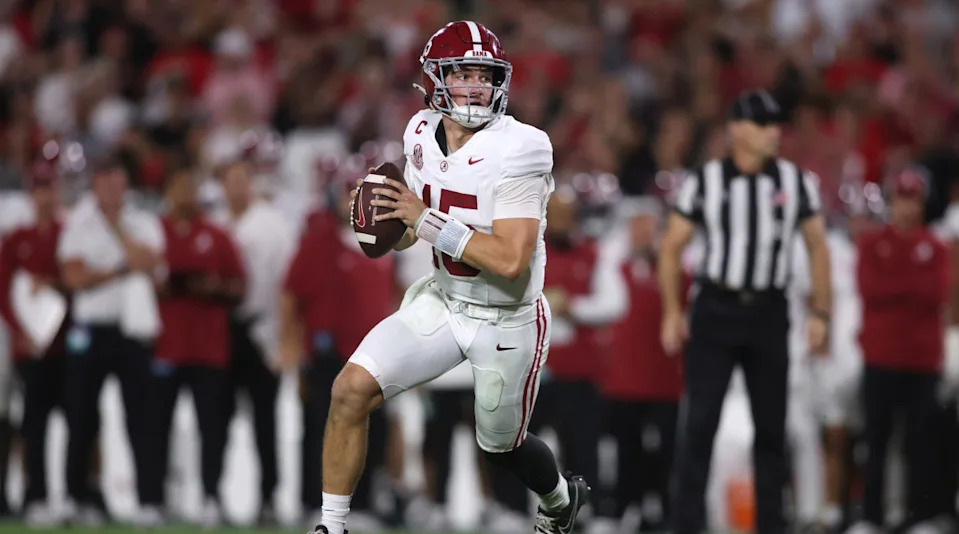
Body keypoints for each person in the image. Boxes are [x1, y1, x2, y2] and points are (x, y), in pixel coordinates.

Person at [309, 20, 589, 534]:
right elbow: (413, 234)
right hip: (442, 300)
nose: (476, 86)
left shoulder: (523, 147)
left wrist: (421, 218)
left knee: (500, 446)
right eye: (462, 73)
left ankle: (558, 498)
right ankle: (331, 526)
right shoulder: (419, 132)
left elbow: (510, 260)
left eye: (485, 75)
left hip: (506, 319)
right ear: (434, 80)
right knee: (349, 390)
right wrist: (385, 219)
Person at [658, 90, 832, 534]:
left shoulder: (795, 182)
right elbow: (672, 246)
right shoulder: (705, 180)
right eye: (762, 123)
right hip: (716, 308)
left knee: (771, 430)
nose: (773, 132)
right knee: (699, 426)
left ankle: (772, 525)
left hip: (769, 312)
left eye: (776, 123)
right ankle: (686, 526)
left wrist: (821, 313)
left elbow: (817, 247)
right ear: (736, 128)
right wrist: (673, 311)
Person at [57, 156, 165, 525]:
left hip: (133, 331)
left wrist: (118, 234)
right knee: (82, 415)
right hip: (90, 329)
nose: (112, 192)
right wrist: (121, 268)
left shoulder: (142, 221)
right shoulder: (78, 224)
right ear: (95, 185)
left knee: (142, 418)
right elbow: (74, 278)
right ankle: (76, 497)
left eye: (118, 185)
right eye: (106, 184)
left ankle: (149, 500)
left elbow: (152, 265)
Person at [139, 170, 246, 528]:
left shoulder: (216, 235)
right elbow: (139, 279)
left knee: (212, 429)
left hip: (208, 347)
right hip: (165, 345)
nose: (184, 194)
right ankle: (151, 500)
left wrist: (211, 286)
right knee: (154, 427)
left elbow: (239, 285)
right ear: (167, 192)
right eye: (178, 186)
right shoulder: (153, 234)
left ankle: (211, 498)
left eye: (189, 186)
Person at [848, 168, 949, 534]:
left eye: (914, 199)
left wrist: (897, 284)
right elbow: (869, 288)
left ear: (923, 203)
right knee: (876, 441)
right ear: (892, 203)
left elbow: (934, 294)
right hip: (880, 358)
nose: (908, 207)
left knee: (919, 444)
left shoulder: (936, 247)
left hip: (921, 361)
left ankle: (918, 518)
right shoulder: (872, 244)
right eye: (902, 199)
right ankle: (871, 517)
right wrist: (908, 282)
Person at [213, 158, 295, 525]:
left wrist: (284, 341)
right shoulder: (214, 223)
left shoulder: (273, 225)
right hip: (220, 332)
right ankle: (212, 495)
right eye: (230, 181)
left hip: (261, 330)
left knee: (266, 422)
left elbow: (288, 288)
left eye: (242, 180)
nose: (237, 188)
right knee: (216, 420)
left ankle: (268, 499)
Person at [0, 161, 68, 526]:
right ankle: (34, 494)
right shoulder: (17, 239)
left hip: (66, 347)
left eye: (51, 188)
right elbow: (3, 294)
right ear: (31, 194)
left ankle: (72, 493)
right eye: (40, 189)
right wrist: (21, 334)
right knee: (34, 423)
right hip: (29, 348)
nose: (46, 196)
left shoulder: (68, 234)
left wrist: (54, 285)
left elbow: (76, 282)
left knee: (80, 421)